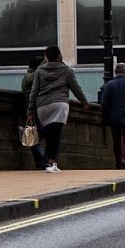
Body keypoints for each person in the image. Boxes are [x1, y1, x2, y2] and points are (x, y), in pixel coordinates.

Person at [27, 45, 88, 174]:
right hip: (60, 105)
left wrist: (30, 110)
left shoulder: (39, 71)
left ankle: (50, 162)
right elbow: (76, 88)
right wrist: (84, 102)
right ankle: (52, 162)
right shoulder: (66, 71)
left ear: (46, 56)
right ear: (59, 55)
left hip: (43, 106)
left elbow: (34, 91)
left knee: (49, 134)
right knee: (55, 133)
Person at [20, 56, 47, 170]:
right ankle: (41, 160)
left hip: (36, 108)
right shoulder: (29, 76)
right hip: (31, 110)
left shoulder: (34, 75)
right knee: (33, 135)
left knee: (39, 133)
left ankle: (41, 160)